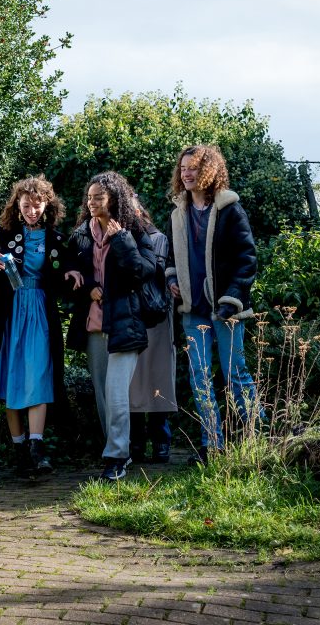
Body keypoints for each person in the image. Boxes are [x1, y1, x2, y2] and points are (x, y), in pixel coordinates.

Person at [165, 145, 264, 463]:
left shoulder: (230, 208)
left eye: (193, 167)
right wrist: (171, 281)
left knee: (236, 374)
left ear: (208, 170)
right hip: (193, 311)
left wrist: (231, 299)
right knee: (200, 378)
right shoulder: (178, 213)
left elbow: (247, 259)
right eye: (183, 169)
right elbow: (170, 258)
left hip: (226, 310)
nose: (187, 173)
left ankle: (259, 438)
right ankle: (213, 447)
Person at [0, 175, 69, 477]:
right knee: (10, 378)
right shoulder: (2, 233)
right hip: (7, 315)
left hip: (40, 312)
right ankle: (19, 449)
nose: (32, 211)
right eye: (26, 205)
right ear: (17, 206)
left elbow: (66, 270)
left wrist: (74, 275)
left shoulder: (55, 238)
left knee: (40, 373)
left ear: (46, 205)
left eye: (37, 205)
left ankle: (36, 447)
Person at [65, 171, 156, 481]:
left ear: (114, 199)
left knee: (117, 392)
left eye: (98, 198)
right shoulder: (80, 233)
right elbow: (70, 272)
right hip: (93, 324)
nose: (92, 203)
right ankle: (117, 451)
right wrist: (85, 283)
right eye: (89, 198)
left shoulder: (133, 229)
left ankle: (116, 456)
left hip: (125, 323)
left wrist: (121, 240)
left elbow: (144, 270)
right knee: (104, 395)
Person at [128, 195, 177, 464]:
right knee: (132, 382)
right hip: (131, 318)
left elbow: (156, 274)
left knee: (158, 379)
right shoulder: (119, 238)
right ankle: (136, 443)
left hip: (157, 316)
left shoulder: (158, 238)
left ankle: (161, 442)